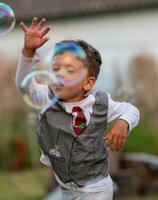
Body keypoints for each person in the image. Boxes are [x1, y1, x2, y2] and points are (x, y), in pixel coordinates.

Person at [15, 17, 140, 200]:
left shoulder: (99, 104)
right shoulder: (46, 98)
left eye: (70, 71)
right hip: (66, 188)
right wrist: (28, 52)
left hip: (96, 190)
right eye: (56, 68)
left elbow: (131, 110)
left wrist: (123, 123)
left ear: (88, 83)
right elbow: (23, 85)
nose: (59, 74)